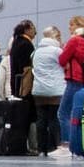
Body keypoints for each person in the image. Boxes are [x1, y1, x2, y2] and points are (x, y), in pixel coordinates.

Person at [56, 15, 84, 162]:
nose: (69, 28)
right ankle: (83, 144)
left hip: (75, 80)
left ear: (77, 25)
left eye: (71, 25)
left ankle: (66, 145)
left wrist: (66, 57)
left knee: (64, 113)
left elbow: (61, 59)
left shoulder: (74, 40)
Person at [31, 25, 65, 158]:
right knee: (54, 119)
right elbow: (64, 65)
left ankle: (41, 149)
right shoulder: (57, 51)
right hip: (55, 90)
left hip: (38, 90)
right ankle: (54, 147)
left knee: (41, 120)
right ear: (55, 36)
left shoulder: (36, 52)